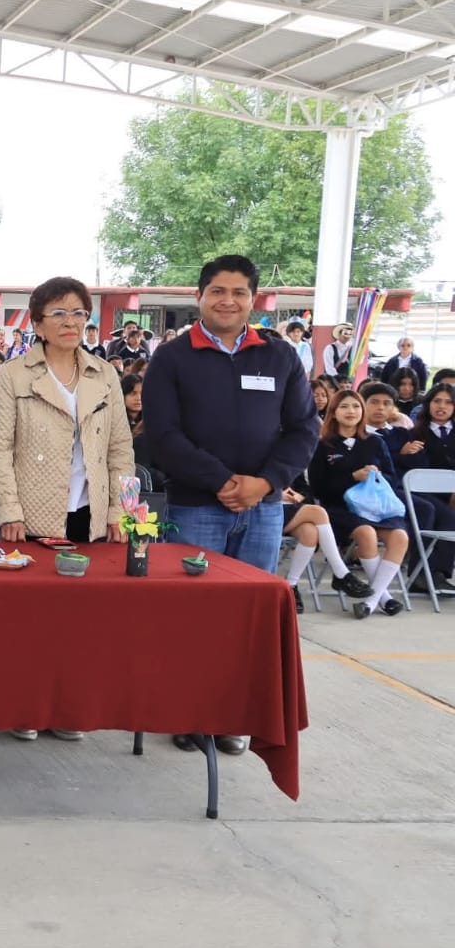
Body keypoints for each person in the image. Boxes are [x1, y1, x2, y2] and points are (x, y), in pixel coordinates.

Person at [144, 254, 317, 756]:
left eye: (239, 292)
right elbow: (163, 435)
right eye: (218, 291)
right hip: (195, 508)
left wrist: (265, 484)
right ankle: (190, 714)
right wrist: (221, 480)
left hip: (262, 510)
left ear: (254, 301)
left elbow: (303, 429)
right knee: (192, 618)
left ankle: (234, 717)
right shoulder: (173, 359)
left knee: (249, 619)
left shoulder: (279, 356)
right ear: (199, 296)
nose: (228, 300)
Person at [0, 277, 132, 742]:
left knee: (80, 621)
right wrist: (8, 509)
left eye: (78, 314)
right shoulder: (14, 375)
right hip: (32, 514)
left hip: (88, 511)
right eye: (59, 314)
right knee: (30, 619)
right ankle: (26, 706)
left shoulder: (103, 374)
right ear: (38, 324)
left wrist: (122, 512)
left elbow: (120, 449)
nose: (70, 323)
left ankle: (69, 708)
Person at [309, 390, 411, 619]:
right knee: (366, 533)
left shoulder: (375, 442)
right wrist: (352, 478)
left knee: (400, 536)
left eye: (356, 406)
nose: (351, 412)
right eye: (344, 407)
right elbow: (318, 489)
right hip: (339, 508)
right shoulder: (323, 446)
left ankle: (372, 600)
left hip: (376, 506)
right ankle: (384, 598)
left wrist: (377, 476)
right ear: (333, 413)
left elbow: (392, 478)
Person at [373, 380, 455, 594]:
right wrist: (405, 453)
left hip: (448, 492)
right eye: (437, 401)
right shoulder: (414, 433)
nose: (442, 407)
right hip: (423, 491)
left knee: (448, 517)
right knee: (435, 511)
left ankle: (439, 573)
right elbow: (414, 466)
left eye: (448, 402)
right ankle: (422, 573)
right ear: (428, 404)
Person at [277, 483, 371, 612]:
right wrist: (277, 495)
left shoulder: (289, 464)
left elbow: (306, 489)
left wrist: (300, 495)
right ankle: (341, 573)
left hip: (289, 510)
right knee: (318, 512)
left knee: (310, 533)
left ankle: (290, 585)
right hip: (264, 508)